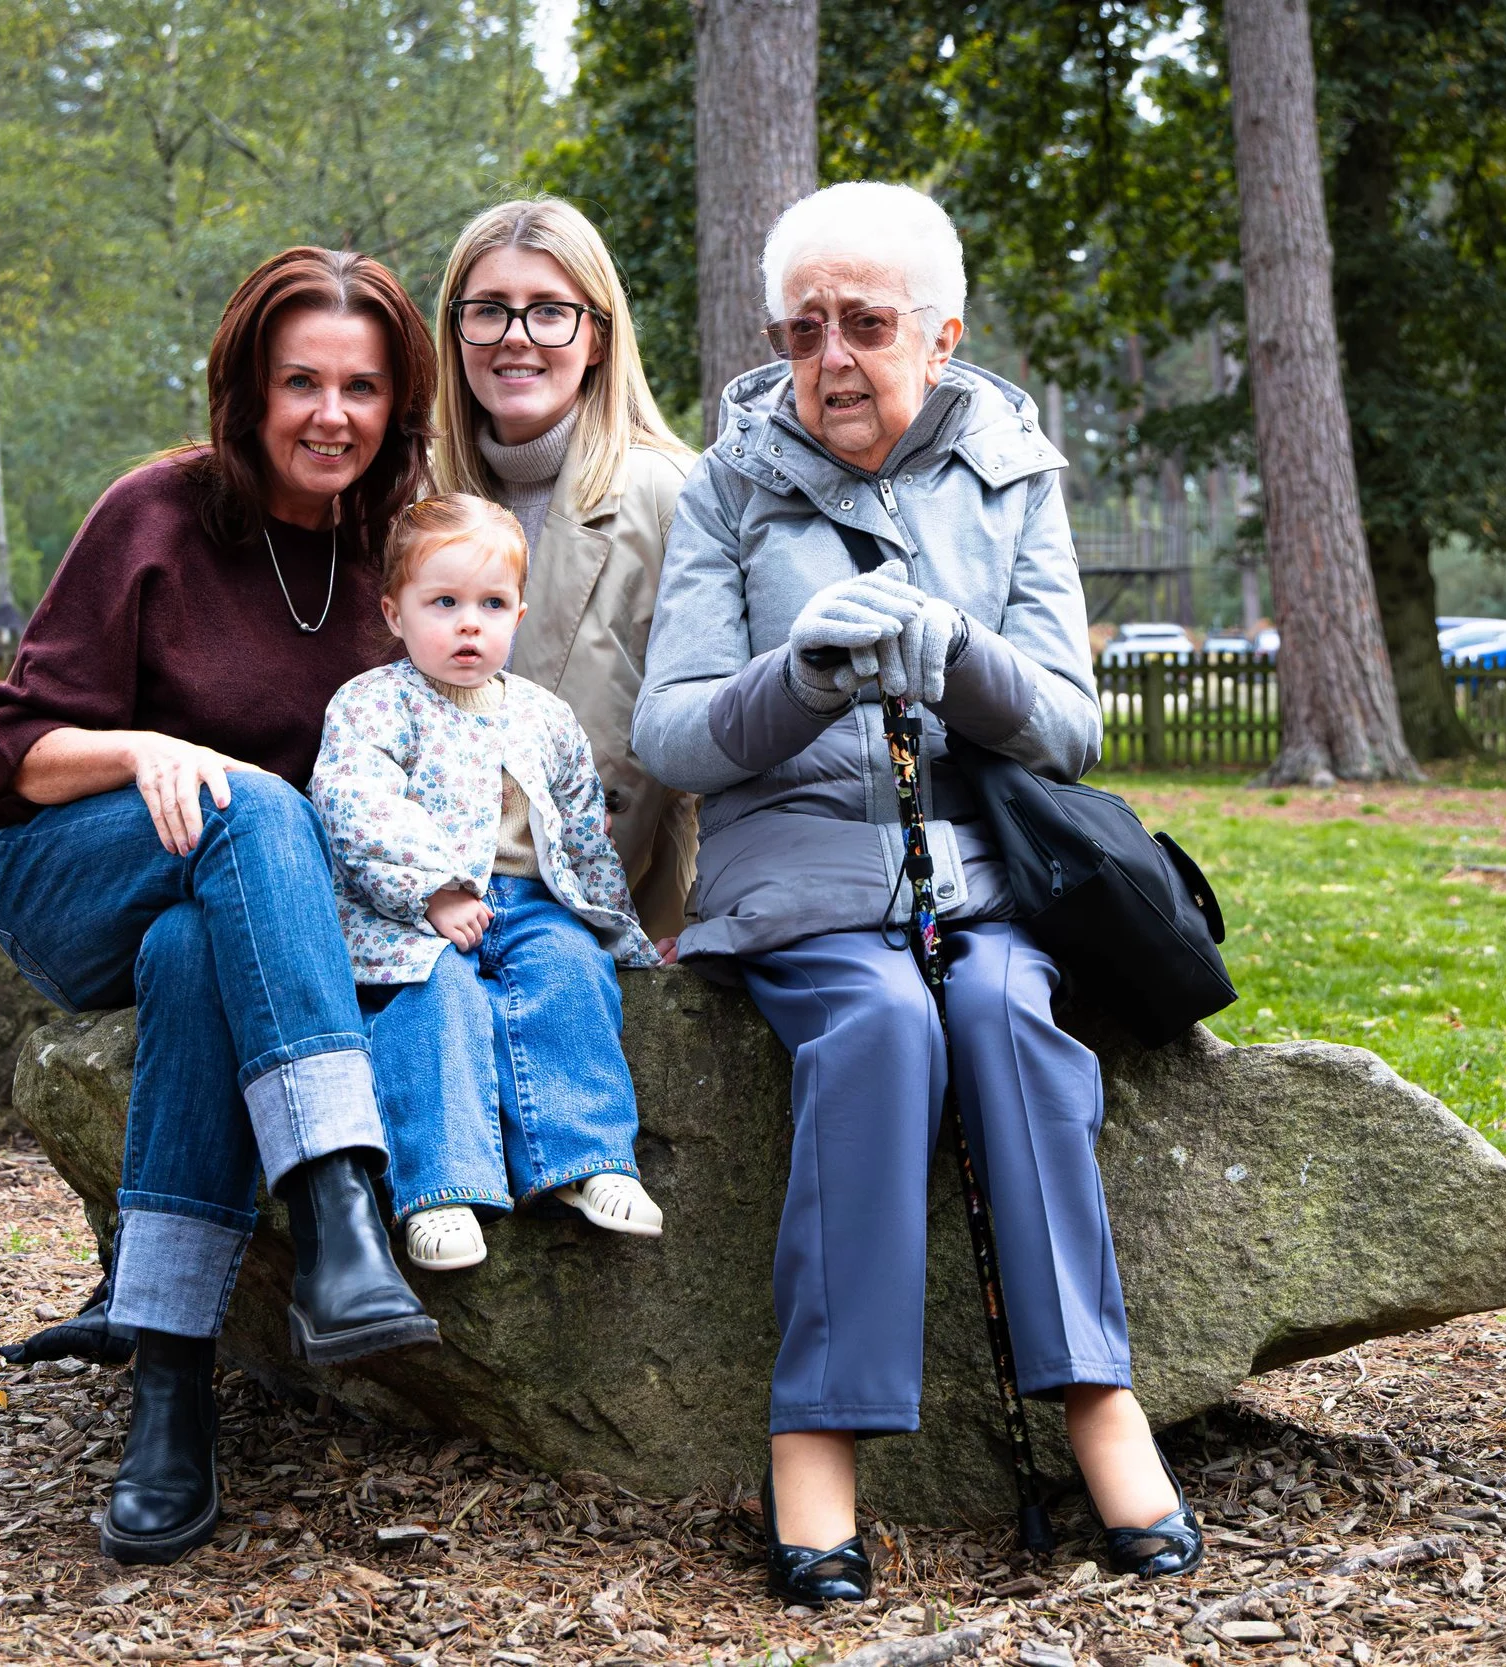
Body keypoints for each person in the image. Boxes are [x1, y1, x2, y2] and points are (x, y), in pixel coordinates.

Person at [630, 181, 1204, 1605]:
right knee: (879, 1024)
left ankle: (1096, 1402)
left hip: (991, 883)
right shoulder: (730, 483)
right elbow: (675, 732)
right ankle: (816, 1433)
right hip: (801, 885)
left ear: (941, 335)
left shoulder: (1015, 474)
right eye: (804, 324)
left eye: (867, 324)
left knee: (1009, 1013)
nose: (832, 355)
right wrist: (803, 670)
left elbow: (1069, 726)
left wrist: (953, 650)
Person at [0, 247, 440, 1567]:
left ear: (398, 402)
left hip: (234, 916)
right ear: (250, 389)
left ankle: (168, 1385)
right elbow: (12, 756)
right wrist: (142, 750)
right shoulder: (155, 513)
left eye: (360, 386)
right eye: (302, 382)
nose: (330, 413)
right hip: (75, 868)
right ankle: (341, 1203)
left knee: (195, 958)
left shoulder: (397, 559)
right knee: (250, 807)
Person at [310, 494, 663, 1273]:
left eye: (491, 604)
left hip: (531, 901)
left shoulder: (544, 716)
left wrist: (616, 927)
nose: (469, 623)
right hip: (411, 912)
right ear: (395, 613)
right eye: (443, 603)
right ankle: (440, 1184)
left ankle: (588, 1156)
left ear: (519, 613)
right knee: (436, 1000)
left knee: (571, 973)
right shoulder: (374, 704)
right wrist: (433, 890)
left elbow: (577, 827)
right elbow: (356, 804)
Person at [429, 198, 698, 944]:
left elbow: (720, 741)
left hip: (628, 917)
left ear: (599, 336)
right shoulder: (413, 498)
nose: (517, 338)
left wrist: (713, 919)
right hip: (439, 918)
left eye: (550, 311)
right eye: (489, 310)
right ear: (457, 331)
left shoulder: (674, 495)